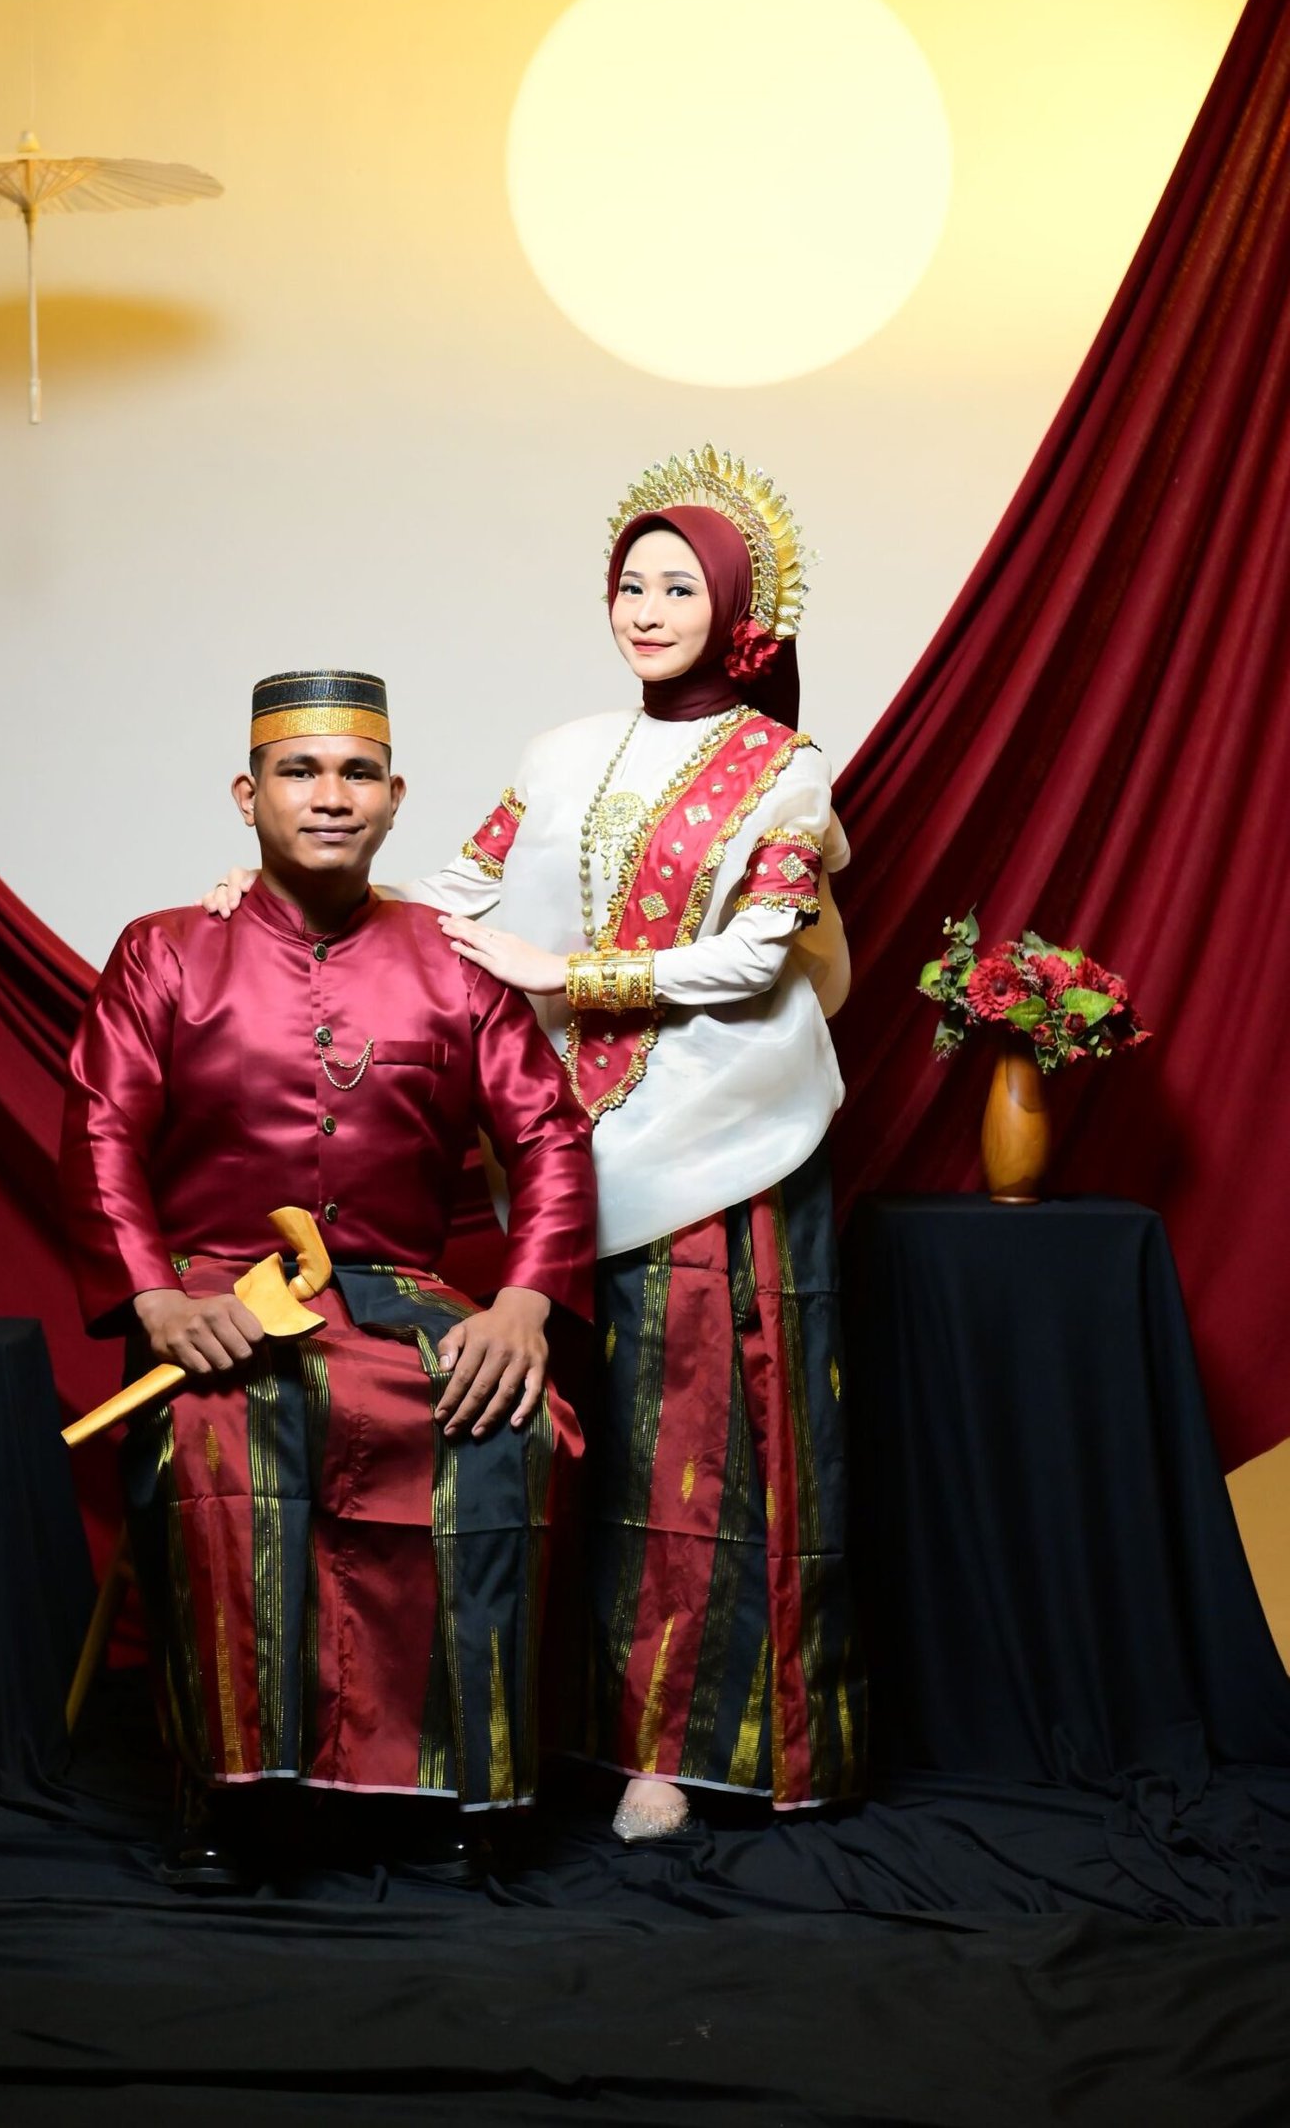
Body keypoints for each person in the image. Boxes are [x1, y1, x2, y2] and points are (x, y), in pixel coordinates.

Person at [205, 452, 866, 1842]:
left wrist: (568, 974)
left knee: (705, 1448)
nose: (648, 609)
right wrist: (283, 886)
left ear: (737, 607)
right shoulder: (562, 751)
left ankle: (683, 1752)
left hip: (728, 1139)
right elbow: (457, 890)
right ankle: (566, 1725)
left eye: (679, 586)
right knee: (587, 1438)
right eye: (631, 584)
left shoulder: (784, 772)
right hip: (580, 1143)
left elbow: (760, 955)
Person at [61, 668, 595, 1887]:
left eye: (358, 773)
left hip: (398, 1294)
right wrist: (157, 1301)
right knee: (222, 1430)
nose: (331, 796)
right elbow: (99, 1130)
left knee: (509, 1425)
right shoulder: (164, 951)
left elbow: (550, 1135)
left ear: (396, 798)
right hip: (219, 1296)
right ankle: (229, 1795)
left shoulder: (454, 962)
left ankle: (468, 1786)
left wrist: (523, 1304)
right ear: (246, 795)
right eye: (299, 772)